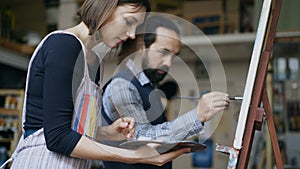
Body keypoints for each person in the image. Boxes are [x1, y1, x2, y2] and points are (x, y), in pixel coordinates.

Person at [4, 1, 192, 169]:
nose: (132, 34)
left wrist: (107, 133)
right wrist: (132, 156)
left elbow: (74, 129)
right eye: (128, 22)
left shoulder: (95, 61)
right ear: (106, 6)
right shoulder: (64, 45)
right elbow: (57, 137)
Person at [101, 15, 230, 169]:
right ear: (142, 47)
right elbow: (145, 138)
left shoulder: (147, 87)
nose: (168, 63)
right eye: (164, 52)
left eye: (174, 56)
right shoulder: (122, 86)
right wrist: (197, 116)